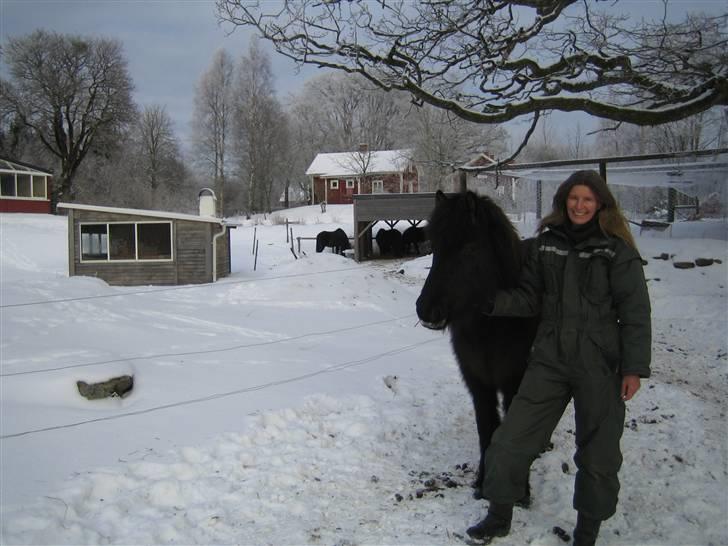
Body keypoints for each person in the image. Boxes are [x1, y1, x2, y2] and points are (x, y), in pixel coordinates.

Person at [466, 170, 652, 546]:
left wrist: (633, 368)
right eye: (573, 198)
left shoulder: (616, 251)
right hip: (549, 359)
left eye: (587, 199)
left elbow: (635, 313)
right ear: (564, 201)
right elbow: (529, 298)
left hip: (598, 364)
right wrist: (490, 302)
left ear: (600, 203)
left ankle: (586, 533)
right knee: (510, 439)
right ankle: (499, 514)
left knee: (598, 454)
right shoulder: (546, 245)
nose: (579, 205)